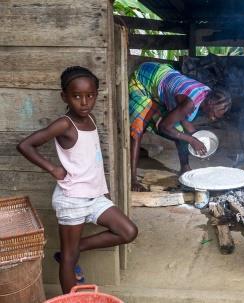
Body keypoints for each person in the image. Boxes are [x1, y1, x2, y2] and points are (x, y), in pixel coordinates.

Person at [17, 66, 138, 294]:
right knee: (70, 261)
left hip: (94, 197)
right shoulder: (65, 124)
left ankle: (69, 251)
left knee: (128, 232)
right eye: (77, 96)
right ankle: (70, 295)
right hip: (72, 199)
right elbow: (25, 145)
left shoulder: (90, 118)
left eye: (90, 95)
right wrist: (53, 168)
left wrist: (103, 191)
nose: (85, 102)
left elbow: (91, 160)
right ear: (65, 97)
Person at [129, 62, 231, 191]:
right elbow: (164, 127)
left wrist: (196, 137)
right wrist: (192, 140)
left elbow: (184, 120)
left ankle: (185, 167)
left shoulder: (207, 94)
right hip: (143, 78)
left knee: (182, 132)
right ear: (210, 103)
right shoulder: (190, 103)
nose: (213, 119)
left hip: (162, 76)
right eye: (214, 115)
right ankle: (132, 179)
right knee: (137, 131)